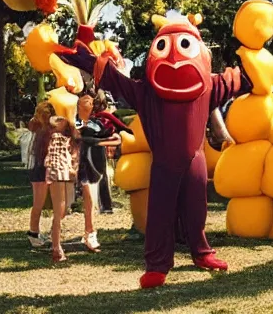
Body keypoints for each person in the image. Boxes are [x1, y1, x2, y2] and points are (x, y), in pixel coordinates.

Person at [59, 16, 252, 288]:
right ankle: (157, 264)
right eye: (165, 47)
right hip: (163, 165)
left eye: (183, 46)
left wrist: (255, 62)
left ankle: (201, 252)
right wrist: (83, 57)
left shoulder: (207, 86)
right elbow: (112, 78)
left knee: (197, 211)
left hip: (194, 162)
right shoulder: (146, 92)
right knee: (160, 215)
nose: (174, 57)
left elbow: (241, 80)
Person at [75, 94, 121, 253]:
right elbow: (79, 136)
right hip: (79, 164)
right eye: (84, 100)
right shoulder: (76, 121)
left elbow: (113, 138)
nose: (88, 100)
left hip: (94, 165)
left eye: (90, 100)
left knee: (90, 199)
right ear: (79, 105)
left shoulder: (97, 123)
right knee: (81, 200)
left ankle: (90, 233)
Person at [44, 115, 79, 263]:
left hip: (63, 173)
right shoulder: (57, 137)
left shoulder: (67, 139)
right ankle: (57, 248)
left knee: (62, 210)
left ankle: (56, 243)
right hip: (58, 172)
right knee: (59, 211)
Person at [26, 101, 56, 248]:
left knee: (37, 203)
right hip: (41, 169)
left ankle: (35, 231)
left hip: (34, 167)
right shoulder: (46, 131)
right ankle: (33, 232)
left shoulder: (35, 126)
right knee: (39, 203)